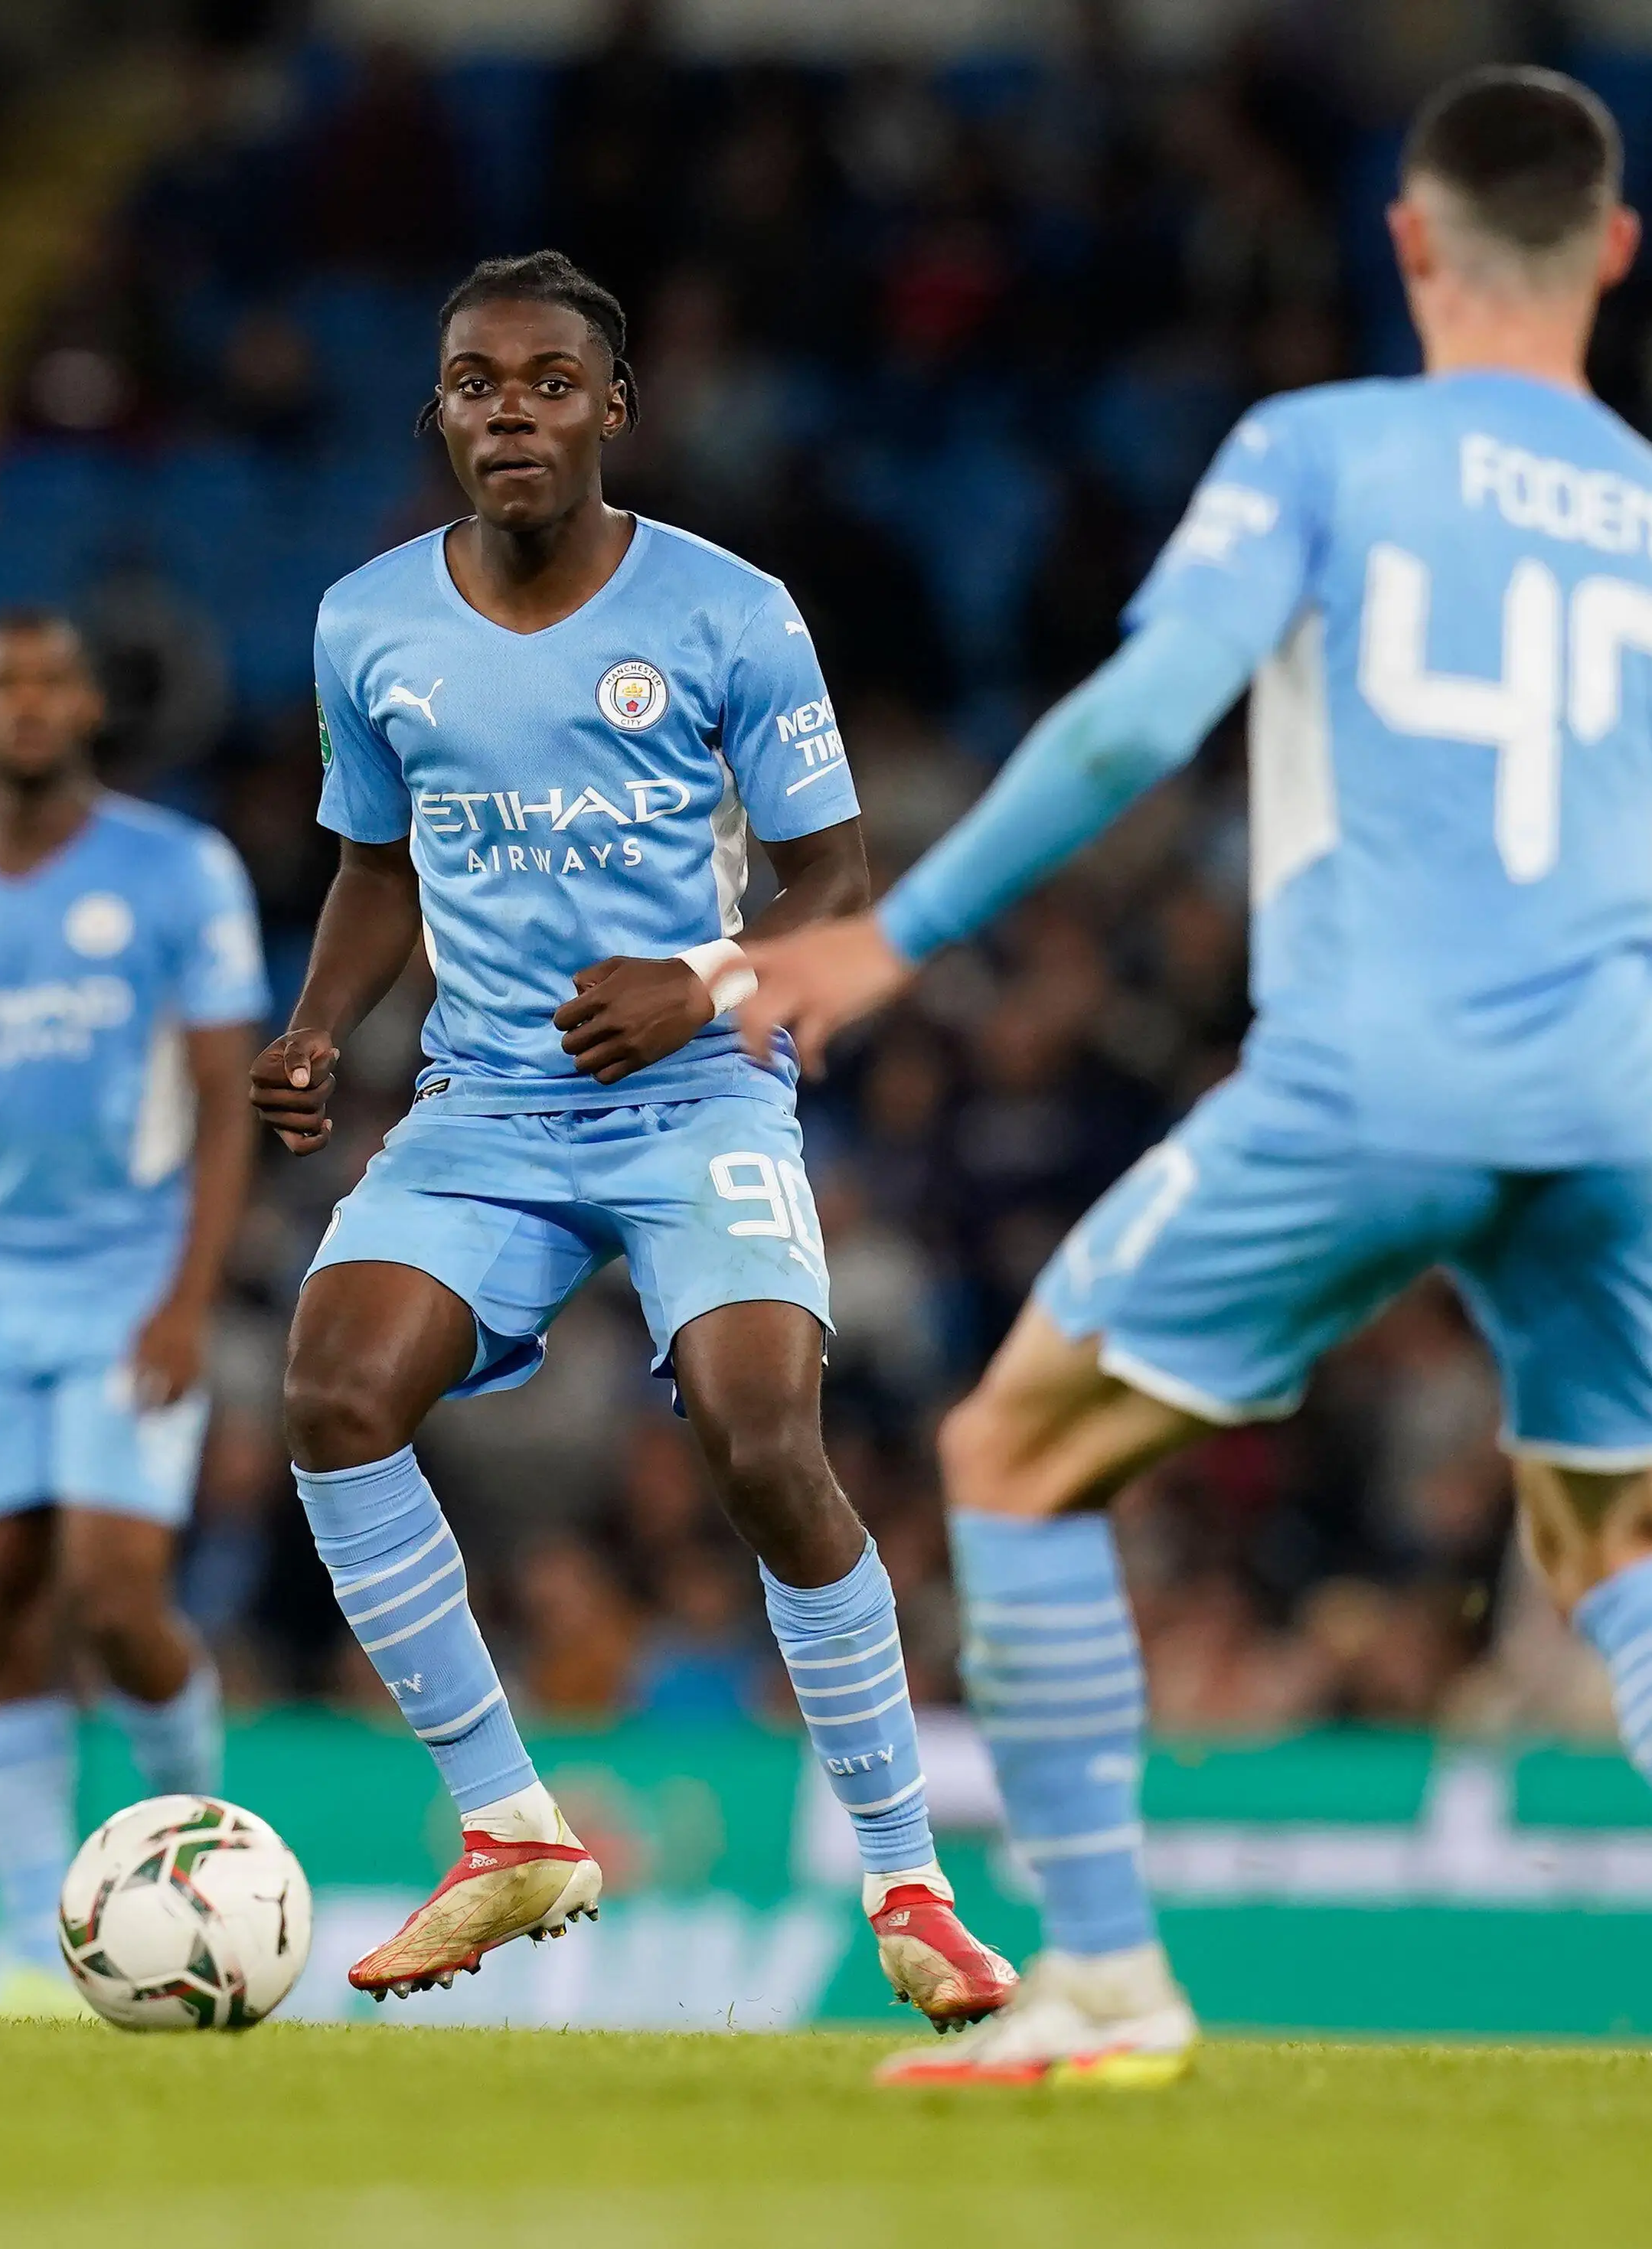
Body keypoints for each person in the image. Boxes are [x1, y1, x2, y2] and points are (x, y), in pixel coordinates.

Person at [739, 67, 1652, 2099]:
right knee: (1618, 1527)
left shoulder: (1320, 450)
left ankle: (1103, 1980)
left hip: (1368, 1074)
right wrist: (1598, 1044)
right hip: (1605, 1103)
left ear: (1408, 238)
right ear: (1610, 254)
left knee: (1010, 1452)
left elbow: (1136, 720)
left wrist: (884, 941)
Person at [253, 250, 1014, 2024]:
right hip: (486, 1106)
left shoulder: (729, 610)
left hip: (698, 1093)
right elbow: (376, 864)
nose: (505, 410)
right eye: (470, 383)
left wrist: (698, 980)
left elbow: (832, 883)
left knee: (761, 1433)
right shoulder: (366, 622)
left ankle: (908, 1877)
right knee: (328, 1390)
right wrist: (310, 1027)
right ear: (437, 408)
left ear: (612, 408)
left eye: (542, 381)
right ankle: (509, 1828)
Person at [0, 610, 265, 2012]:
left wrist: (192, 1298)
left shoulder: (176, 871)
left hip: (129, 1289)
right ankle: (29, 1947)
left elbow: (221, 1103)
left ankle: (206, 1866)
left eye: (50, 681)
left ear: (87, 707)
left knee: (115, 1591)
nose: (24, 704)